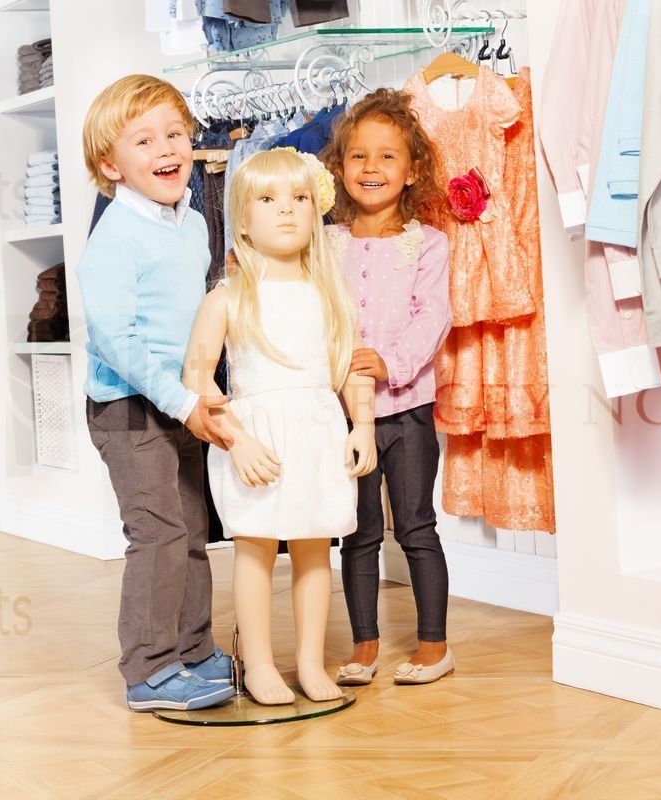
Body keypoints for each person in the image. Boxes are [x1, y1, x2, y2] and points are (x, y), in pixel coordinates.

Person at [182, 147, 378, 705]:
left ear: (315, 211)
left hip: (318, 433)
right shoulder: (227, 298)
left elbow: (350, 364)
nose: (287, 211)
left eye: (298, 199)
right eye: (269, 200)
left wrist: (360, 424)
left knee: (317, 545)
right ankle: (261, 665)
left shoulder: (329, 293)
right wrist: (236, 440)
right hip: (258, 440)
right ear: (241, 217)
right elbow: (197, 378)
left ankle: (312, 663)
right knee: (256, 547)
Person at [77, 74, 236, 712]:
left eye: (174, 133)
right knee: (158, 532)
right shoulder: (114, 238)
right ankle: (148, 668)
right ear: (110, 164)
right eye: (144, 139)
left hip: (181, 400)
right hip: (129, 409)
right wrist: (182, 401)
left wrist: (202, 391)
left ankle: (192, 647)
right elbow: (116, 339)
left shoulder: (192, 224)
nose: (166, 147)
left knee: (193, 528)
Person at [320, 89, 456, 686]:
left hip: (408, 413)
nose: (371, 169)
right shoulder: (324, 244)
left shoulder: (427, 242)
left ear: (412, 170)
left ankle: (434, 645)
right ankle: (364, 645)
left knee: (416, 527)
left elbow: (434, 317)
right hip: (344, 417)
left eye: (386, 157)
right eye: (357, 156)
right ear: (339, 167)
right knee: (359, 534)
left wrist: (391, 361)